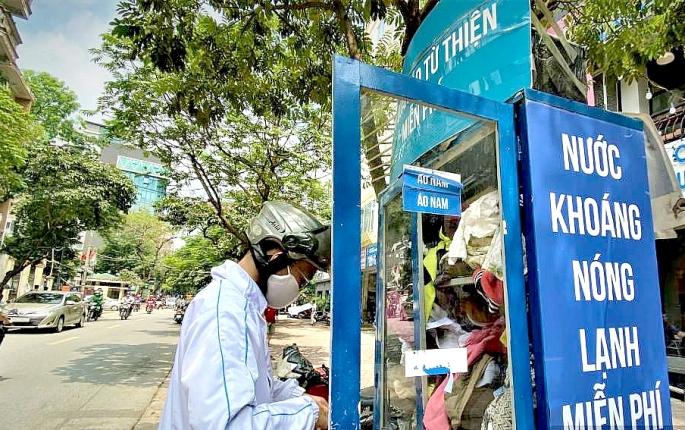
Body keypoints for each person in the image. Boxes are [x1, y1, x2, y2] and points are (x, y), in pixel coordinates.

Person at [159, 201, 331, 430]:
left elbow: (258, 388)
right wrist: (310, 412)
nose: (301, 286)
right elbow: (227, 424)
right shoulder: (225, 313)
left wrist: (301, 396)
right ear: (276, 256)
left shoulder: (244, 307)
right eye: (303, 277)